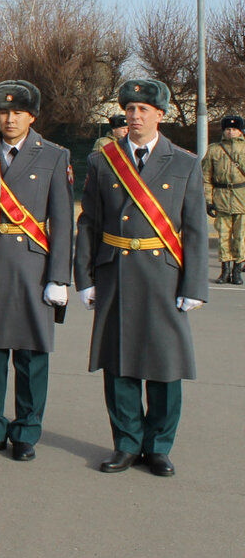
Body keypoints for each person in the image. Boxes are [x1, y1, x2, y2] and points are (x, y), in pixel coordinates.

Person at [75, 78, 208, 477]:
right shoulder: (103, 160)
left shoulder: (184, 162)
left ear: (160, 116)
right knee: (120, 365)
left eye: (143, 110)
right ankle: (127, 444)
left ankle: (159, 447)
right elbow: (90, 223)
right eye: (130, 109)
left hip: (163, 276)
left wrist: (195, 285)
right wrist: (84, 277)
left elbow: (196, 228)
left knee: (165, 366)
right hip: (116, 272)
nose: (134, 116)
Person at [0, 81, 73, 462]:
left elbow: (62, 221)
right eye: (2, 112)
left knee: (31, 356)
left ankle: (27, 431)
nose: (9, 119)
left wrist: (60, 277)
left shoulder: (54, 156)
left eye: (18, 113)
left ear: (33, 116)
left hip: (33, 265)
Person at [202, 114, 245, 285]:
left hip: (241, 197)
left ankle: (237, 270)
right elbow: (206, 177)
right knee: (223, 236)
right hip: (221, 197)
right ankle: (225, 270)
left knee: (241, 236)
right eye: (228, 129)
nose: (231, 132)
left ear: (240, 131)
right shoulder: (214, 150)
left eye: (234, 129)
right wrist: (209, 200)